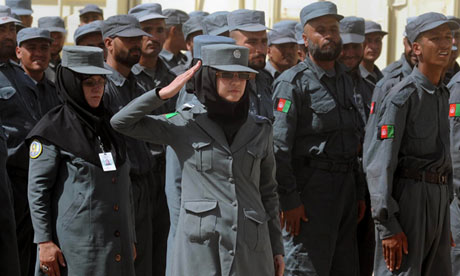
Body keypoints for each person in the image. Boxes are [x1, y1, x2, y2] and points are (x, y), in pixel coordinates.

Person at [111, 43, 285, 276]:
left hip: (250, 248)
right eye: (226, 75)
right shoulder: (185, 124)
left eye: (242, 76)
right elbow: (121, 122)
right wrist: (163, 94)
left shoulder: (260, 128)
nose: (236, 82)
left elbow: (268, 192)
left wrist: (277, 248)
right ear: (209, 78)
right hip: (200, 248)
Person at [272, 2, 365, 275]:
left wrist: (358, 191)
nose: (329, 36)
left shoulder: (345, 79)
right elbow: (278, 148)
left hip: (345, 190)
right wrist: (289, 201)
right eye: (320, 30)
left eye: (333, 29)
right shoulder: (293, 83)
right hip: (311, 192)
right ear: (304, 38)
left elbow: (353, 138)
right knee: (306, 267)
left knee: (344, 266)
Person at [27, 45, 136, 276]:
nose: (97, 89)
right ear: (72, 84)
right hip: (76, 249)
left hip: (117, 244)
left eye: (101, 81)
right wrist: (44, 242)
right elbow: (38, 190)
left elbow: (125, 188)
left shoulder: (111, 126)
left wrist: (130, 237)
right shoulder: (52, 130)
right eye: (89, 82)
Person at [364, 12, 457, 276]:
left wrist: (444, 218)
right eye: (435, 38)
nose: (444, 44)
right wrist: (388, 226)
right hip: (409, 202)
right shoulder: (402, 97)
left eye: (448, 37)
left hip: (437, 202)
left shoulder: (443, 94)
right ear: (416, 48)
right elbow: (378, 164)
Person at [101, 14, 164, 276]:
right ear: (109, 43)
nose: (137, 45)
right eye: (128, 40)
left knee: (149, 263)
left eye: (138, 39)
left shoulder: (139, 83)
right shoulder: (100, 85)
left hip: (147, 184)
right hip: (119, 188)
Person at [228, 9, 274, 120]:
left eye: (264, 41)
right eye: (252, 42)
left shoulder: (266, 79)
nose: (260, 49)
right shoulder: (222, 81)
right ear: (232, 44)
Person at [16, 27, 60, 114]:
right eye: (32, 48)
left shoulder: (56, 92)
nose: (39, 53)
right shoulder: (9, 85)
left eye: (44, 48)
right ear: (18, 52)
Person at [38, 16, 66, 82]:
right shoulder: (33, 68)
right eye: (51, 37)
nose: (55, 43)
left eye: (59, 37)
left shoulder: (67, 68)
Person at [360, 20, 386, 87]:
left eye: (377, 41)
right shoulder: (352, 78)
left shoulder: (382, 78)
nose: (374, 46)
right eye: (368, 40)